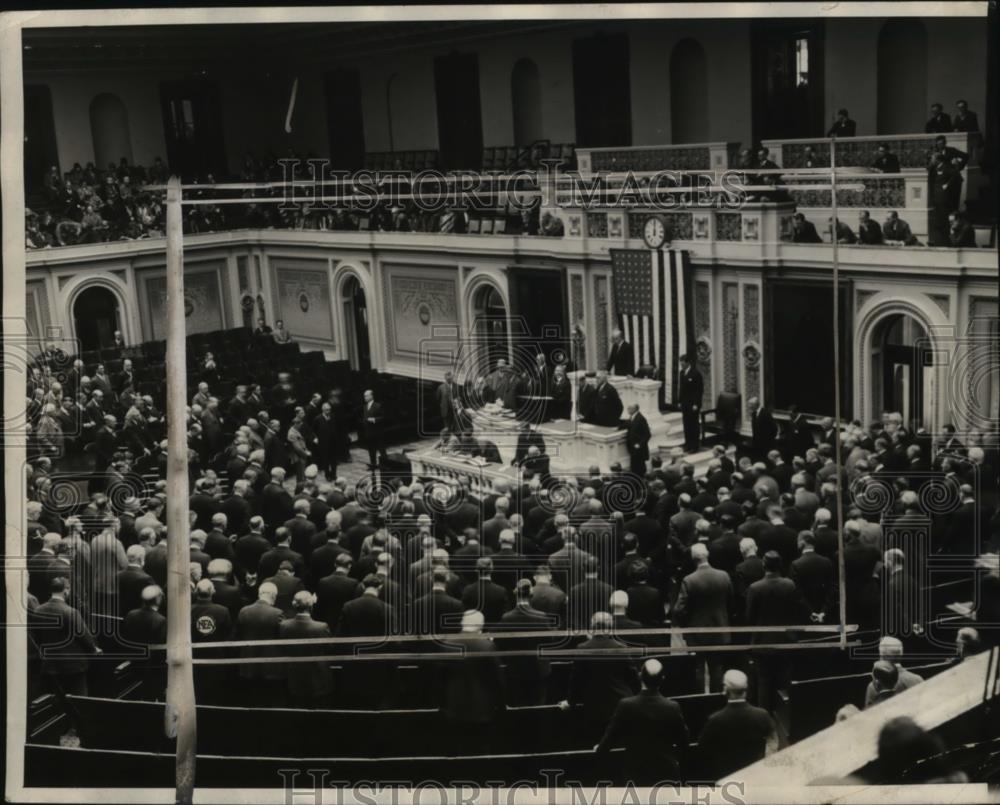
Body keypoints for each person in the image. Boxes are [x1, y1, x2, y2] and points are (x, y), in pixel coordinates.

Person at [594, 658, 689, 785]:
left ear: (640, 677)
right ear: (662, 679)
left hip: (636, 774)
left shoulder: (626, 705)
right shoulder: (672, 707)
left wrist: (599, 749)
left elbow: (610, 738)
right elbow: (684, 741)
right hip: (666, 773)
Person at [696, 669, 775, 782]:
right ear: (746, 689)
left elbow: (702, 749)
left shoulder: (715, 720)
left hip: (725, 777)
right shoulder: (762, 715)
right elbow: (773, 741)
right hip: (754, 776)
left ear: (725, 689)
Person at [673, 543, 732, 691]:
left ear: (693, 559)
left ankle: (700, 707)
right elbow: (731, 602)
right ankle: (716, 702)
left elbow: (679, 610)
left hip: (696, 633)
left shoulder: (689, 580)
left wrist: (685, 626)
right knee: (717, 670)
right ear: (707, 555)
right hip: (719, 629)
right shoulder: (724, 576)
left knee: (698, 670)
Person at [279, 590, 333, 707]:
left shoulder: (284, 626)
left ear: (294, 605)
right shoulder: (321, 627)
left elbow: (283, 648)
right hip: (317, 678)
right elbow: (329, 648)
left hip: (293, 676)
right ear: (311, 605)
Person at [678, 354, 703, 453]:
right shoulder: (681, 373)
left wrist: (696, 404)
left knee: (693, 425)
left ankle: (694, 446)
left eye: (682, 363)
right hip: (685, 404)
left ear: (688, 363)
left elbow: (699, 391)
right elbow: (682, 389)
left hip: (693, 405)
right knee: (686, 424)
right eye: (680, 363)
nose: (681, 365)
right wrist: (680, 401)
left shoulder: (696, 374)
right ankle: (687, 443)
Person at [361, 389, 387, 473]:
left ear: (371, 396)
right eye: (364, 396)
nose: (365, 397)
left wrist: (375, 419)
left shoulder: (378, 406)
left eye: (366, 395)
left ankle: (385, 464)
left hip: (377, 432)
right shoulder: (365, 406)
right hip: (369, 432)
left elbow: (384, 417)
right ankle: (373, 464)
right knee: (371, 450)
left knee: (381, 449)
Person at [625, 403, 651, 477]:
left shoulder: (641, 419)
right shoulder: (632, 417)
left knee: (639, 470)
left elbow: (647, 434)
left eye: (629, 408)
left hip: (639, 450)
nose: (628, 410)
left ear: (635, 409)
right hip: (633, 449)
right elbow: (628, 424)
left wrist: (639, 444)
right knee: (635, 469)